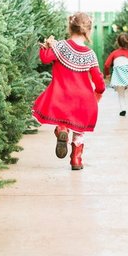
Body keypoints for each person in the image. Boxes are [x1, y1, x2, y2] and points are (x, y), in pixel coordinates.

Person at [32, 12, 105, 170]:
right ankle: (76, 159)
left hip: (62, 97)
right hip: (83, 100)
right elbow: (98, 79)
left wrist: (45, 48)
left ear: (70, 27)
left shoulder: (61, 46)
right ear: (88, 31)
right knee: (79, 130)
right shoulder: (90, 55)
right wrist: (99, 90)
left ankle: (61, 130)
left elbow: (45, 59)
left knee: (63, 120)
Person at [104, 33, 128, 116]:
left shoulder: (114, 53)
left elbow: (106, 65)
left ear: (118, 43)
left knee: (121, 94)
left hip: (118, 74)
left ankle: (123, 110)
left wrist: (107, 74)